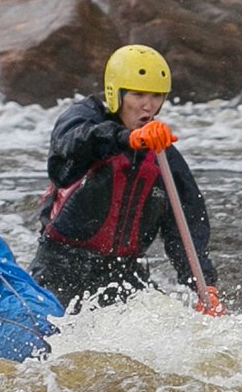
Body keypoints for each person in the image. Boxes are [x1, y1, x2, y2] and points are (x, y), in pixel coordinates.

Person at [29, 44, 224, 314]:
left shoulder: (163, 157)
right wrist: (126, 139)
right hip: (61, 263)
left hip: (121, 271)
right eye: (138, 94)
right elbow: (70, 143)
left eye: (156, 96)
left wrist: (204, 286)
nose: (148, 105)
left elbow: (186, 225)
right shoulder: (84, 120)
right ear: (116, 93)